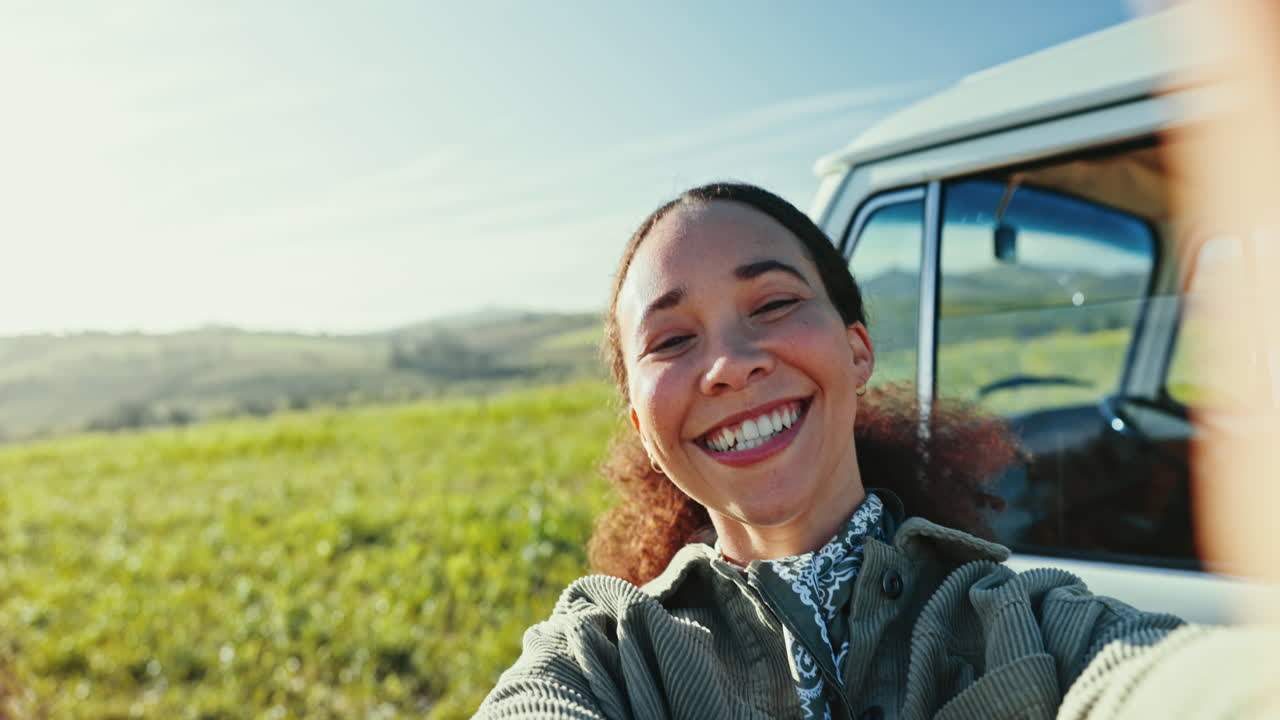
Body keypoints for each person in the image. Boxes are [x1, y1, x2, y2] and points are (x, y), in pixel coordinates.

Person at [473, 182, 1269, 720]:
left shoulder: (1026, 622)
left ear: (857, 351)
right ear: (644, 427)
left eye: (776, 303)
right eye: (673, 339)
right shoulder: (607, 656)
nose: (730, 364)